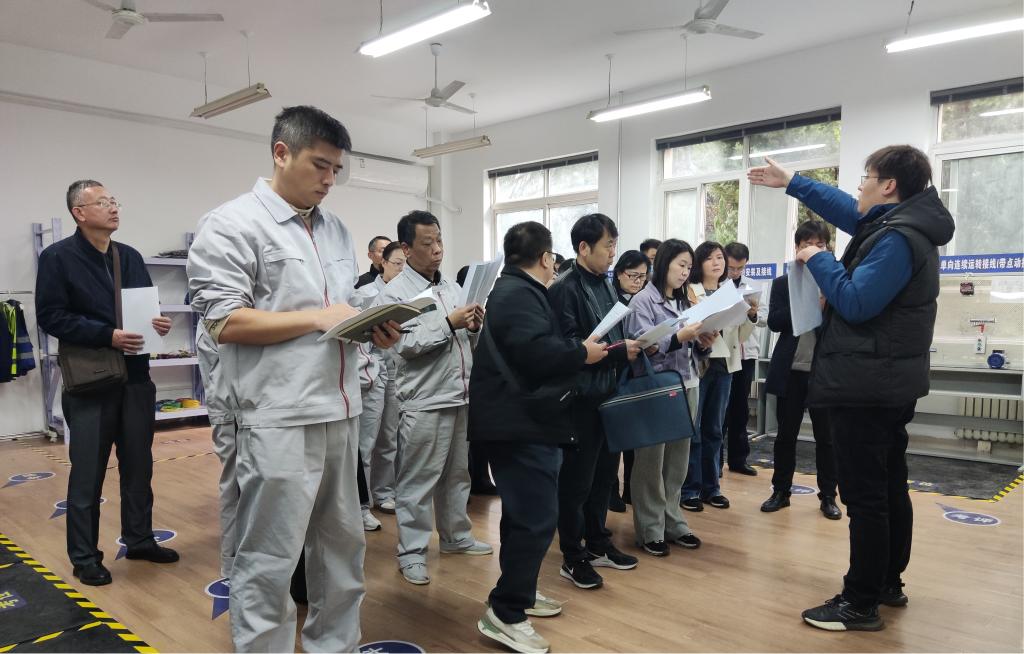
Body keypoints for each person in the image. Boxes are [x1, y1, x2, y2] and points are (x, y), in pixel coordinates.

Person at [187, 106, 401, 652]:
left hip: (340, 408)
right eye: (319, 166)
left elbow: (337, 312)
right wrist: (317, 319)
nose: (329, 180)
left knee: (342, 549)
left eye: (336, 170)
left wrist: (369, 329)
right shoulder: (232, 224)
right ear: (281, 154)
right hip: (276, 415)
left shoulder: (335, 229)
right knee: (269, 555)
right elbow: (224, 322)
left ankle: (336, 645)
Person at [749, 146, 954, 631]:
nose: (859, 186)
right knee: (887, 485)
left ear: (888, 186)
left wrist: (821, 260)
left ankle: (860, 602)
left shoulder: (897, 239)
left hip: (866, 385)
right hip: (882, 381)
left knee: (865, 497)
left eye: (866, 177)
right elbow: (849, 209)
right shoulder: (901, 224)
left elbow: (857, 303)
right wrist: (793, 182)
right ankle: (886, 583)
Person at [470, 221, 609, 654]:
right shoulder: (518, 293)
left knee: (523, 515)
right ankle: (506, 613)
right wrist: (581, 353)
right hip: (518, 421)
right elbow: (536, 353)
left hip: (522, 419)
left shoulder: (516, 289)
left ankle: (520, 592)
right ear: (547, 258)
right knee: (535, 517)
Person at [36, 180, 178, 587]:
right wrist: (107, 334)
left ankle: (140, 539)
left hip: (136, 378)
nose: (113, 208)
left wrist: (158, 323)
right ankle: (85, 557)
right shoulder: (57, 257)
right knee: (87, 473)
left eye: (114, 201)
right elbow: (50, 316)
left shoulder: (128, 256)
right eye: (102, 202)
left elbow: (144, 309)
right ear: (79, 213)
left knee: (139, 467)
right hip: (91, 382)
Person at [377, 210, 492, 586]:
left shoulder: (452, 288)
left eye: (439, 240)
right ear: (407, 248)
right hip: (424, 399)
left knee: (458, 474)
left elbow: (465, 340)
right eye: (428, 243)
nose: (438, 249)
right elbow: (404, 347)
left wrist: (473, 326)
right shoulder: (394, 294)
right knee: (418, 480)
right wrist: (449, 323)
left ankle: (456, 536)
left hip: (460, 394)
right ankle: (411, 552)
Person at [548, 213, 641, 590]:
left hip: (607, 391)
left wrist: (630, 347)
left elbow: (613, 330)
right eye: (608, 246)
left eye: (615, 245)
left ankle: (598, 541)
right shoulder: (565, 287)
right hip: (580, 397)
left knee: (604, 476)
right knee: (576, 481)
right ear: (584, 247)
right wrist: (618, 352)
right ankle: (573, 555)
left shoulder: (604, 282)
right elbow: (569, 346)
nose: (613, 253)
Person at [623, 239, 705, 557]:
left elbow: (692, 344)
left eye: (689, 267)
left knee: (678, 460)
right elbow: (643, 345)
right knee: (650, 460)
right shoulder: (642, 300)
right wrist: (679, 337)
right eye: (681, 265)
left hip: (688, 382)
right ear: (664, 263)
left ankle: (674, 521)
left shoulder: (685, 301)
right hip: (656, 387)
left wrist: (703, 340)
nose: (685, 272)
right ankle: (650, 528)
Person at [761, 221, 840, 520]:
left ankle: (828, 496)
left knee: (827, 439)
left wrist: (826, 303)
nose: (813, 250)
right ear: (797, 248)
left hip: (824, 373)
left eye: (820, 245)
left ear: (827, 248)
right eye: (807, 245)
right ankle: (781, 491)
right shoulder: (784, 283)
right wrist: (808, 305)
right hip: (790, 371)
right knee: (785, 436)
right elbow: (774, 322)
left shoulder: (835, 281)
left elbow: (845, 323)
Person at [680, 241, 754, 512]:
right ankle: (690, 489)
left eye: (720, 258)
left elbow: (740, 337)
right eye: (710, 258)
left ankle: (712, 488)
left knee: (714, 429)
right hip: (699, 365)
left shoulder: (731, 292)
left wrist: (750, 316)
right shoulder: (690, 290)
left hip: (724, 366)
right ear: (699, 263)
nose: (717, 263)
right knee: (695, 429)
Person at [352, 240, 407, 529]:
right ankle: (360, 504)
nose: (401, 269)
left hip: (396, 370)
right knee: (366, 440)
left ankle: (384, 492)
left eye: (405, 265)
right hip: (371, 371)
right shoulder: (365, 294)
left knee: (390, 436)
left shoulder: (407, 293)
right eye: (397, 263)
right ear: (382, 262)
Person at [607, 249, 649, 512]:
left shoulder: (644, 300)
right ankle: (610, 490)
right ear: (620, 273)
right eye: (633, 275)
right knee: (614, 436)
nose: (638, 281)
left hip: (638, 372)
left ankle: (631, 489)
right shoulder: (609, 297)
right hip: (614, 372)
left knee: (635, 437)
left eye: (643, 277)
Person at [722, 241, 767, 476]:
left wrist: (753, 312)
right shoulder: (717, 285)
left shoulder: (754, 286)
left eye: (740, 268)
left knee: (740, 407)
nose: (735, 272)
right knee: (720, 408)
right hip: (723, 352)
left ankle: (738, 459)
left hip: (746, 353)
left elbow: (765, 318)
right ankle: (715, 462)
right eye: (731, 267)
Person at [456, 264, 498, 496]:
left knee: (480, 435)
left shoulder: (482, 308)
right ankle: (473, 480)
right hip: (464, 379)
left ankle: (481, 478)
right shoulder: (458, 310)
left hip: (481, 379)